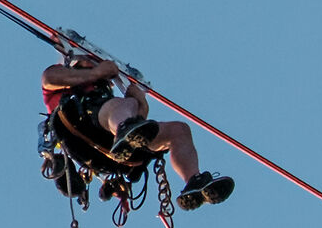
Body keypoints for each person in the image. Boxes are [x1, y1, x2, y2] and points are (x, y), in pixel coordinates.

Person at [41, 54, 235, 210]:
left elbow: (141, 122)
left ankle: (194, 181)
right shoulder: (63, 80)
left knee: (179, 130)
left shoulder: (108, 96)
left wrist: (140, 102)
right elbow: (48, 78)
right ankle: (123, 130)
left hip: (116, 154)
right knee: (121, 106)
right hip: (79, 126)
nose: (93, 63)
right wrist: (97, 73)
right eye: (88, 60)